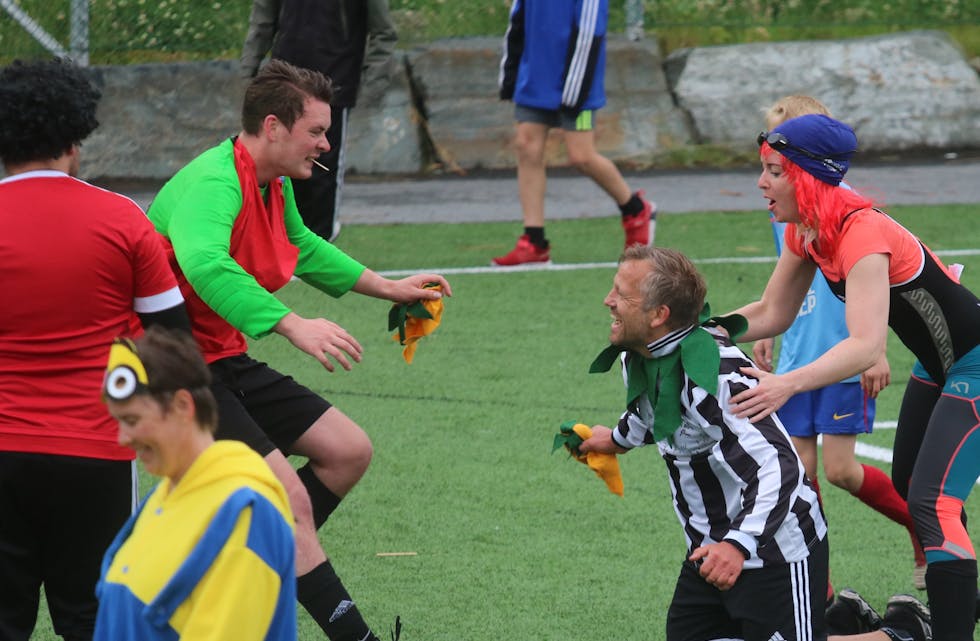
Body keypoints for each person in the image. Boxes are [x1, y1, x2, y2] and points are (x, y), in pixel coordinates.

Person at [147, 58, 450, 641]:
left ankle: (236, 565)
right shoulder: (214, 181)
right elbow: (204, 264)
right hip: (174, 371)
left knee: (348, 451)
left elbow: (301, 246)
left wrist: (389, 287)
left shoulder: (272, 182)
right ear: (273, 127)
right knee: (288, 503)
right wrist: (291, 324)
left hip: (220, 358)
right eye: (316, 131)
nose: (326, 144)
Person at [576, 245, 931, 641]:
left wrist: (738, 545)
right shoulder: (640, 356)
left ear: (659, 315)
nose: (608, 300)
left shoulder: (718, 379)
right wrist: (617, 439)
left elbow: (781, 467)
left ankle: (905, 632)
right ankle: (843, 619)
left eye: (622, 294)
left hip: (774, 550)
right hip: (711, 550)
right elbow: (658, 410)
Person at [728, 113, 980, 641]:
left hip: (975, 364)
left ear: (807, 178)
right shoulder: (806, 230)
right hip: (939, 366)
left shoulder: (862, 233)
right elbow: (772, 311)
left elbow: (866, 347)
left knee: (933, 502)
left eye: (774, 172)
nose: (761, 183)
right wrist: (701, 331)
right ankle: (960, 604)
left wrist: (787, 383)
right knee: (912, 486)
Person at [0, 58, 187, 641]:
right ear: (74, 140)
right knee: (95, 621)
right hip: (96, 451)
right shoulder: (122, 218)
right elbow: (175, 340)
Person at [752, 95, 925, 591]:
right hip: (798, 356)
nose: (767, 173)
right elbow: (786, 287)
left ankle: (922, 527)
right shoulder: (785, 205)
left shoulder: (843, 206)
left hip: (842, 358)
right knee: (798, 474)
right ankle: (819, 589)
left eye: (779, 160)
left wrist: (877, 352)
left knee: (841, 470)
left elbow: (876, 286)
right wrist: (770, 330)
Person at [94, 327, 296, 640]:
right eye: (118, 421)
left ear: (183, 406)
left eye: (132, 421)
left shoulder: (245, 514)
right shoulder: (166, 494)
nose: (122, 438)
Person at [493, 0, 655, 267]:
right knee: (526, 146)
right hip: (535, 78)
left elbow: (591, 31)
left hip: (579, 83)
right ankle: (534, 242)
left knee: (581, 156)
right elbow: (518, 18)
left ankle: (636, 210)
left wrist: (574, 91)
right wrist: (511, 73)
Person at [240, 0, 398, 242]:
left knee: (322, 169)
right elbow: (263, 20)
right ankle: (276, 242)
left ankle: (321, 241)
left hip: (334, 85)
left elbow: (383, 31)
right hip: (283, 86)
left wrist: (374, 80)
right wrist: (248, 70)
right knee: (277, 168)